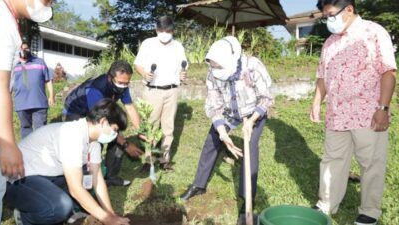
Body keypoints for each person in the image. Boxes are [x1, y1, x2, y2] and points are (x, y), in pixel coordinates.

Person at [310, 1, 397, 224]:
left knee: (371, 163)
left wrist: (383, 108)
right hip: (337, 114)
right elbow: (322, 75)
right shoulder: (329, 42)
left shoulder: (374, 32)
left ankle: (369, 210)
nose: (327, 19)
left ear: (348, 9)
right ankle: (326, 204)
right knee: (332, 160)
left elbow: (388, 71)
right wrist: (316, 102)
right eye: (324, 16)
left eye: (330, 14)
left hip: (367, 113)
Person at [179, 36, 273, 222]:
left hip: (254, 111)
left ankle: (247, 198)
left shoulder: (252, 66)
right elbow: (214, 105)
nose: (214, 69)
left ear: (231, 61)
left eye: (218, 66)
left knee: (250, 147)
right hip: (229, 112)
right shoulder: (212, 72)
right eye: (212, 65)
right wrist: (222, 133)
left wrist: (252, 119)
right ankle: (199, 184)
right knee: (211, 142)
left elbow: (267, 97)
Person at [5, 99, 131, 225]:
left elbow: (97, 181)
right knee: (60, 206)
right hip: (18, 179)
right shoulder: (72, 134)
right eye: (115, 130)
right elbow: (75, 189)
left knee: (85, 175)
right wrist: (106, 219)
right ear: (103, 122)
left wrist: (111, 215)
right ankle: (26, 216)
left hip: (47, 176)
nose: (115, 135)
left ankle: (60, 209)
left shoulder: (93, 143)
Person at [0, 0, 53, 221]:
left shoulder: (8, 19)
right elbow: (0, 87)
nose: (48, 6)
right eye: (47, 0)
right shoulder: (3, 22)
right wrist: (8, 144)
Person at [63, 60, 144, 187]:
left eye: (126, 83)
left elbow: (129, 107)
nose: (123, 86)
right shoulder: (96, 89)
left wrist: (141, 131)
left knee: (116, 136)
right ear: (110, 77)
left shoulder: (123, 86)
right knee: (89, 143)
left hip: (101, 110)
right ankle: (82, 182)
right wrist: (126, 144)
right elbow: (98, 123)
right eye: (120, 83)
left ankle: (111, 176)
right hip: (77, 111)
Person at [134, 15, 188, 171]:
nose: (165, 33)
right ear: (156, 29)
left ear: (172, 30)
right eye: (161, 30)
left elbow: (184, 67)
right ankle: (148, 159)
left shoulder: (178, 46)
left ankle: (165, 160)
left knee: (168, 127)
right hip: (153, 91)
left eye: (168, 30)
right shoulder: (148, 44)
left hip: (172, 91)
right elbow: (137, 64)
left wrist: (183, 75)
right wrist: (144, 74)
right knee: (150, 126)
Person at [12, 41, 55, 138]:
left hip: (39, 102)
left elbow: (48, 80)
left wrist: (51, 96)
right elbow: (7, 84)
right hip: (21, 103)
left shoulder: (40, 62)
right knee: (25, 128)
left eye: (26, 48)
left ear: (29, 49)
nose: (24, 51)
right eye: (21, 49)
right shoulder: (13, 65)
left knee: (40, 130)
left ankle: (41, 151)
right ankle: (27, 151)